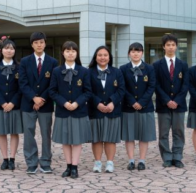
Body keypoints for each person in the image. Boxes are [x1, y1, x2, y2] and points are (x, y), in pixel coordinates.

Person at [49, 41, 92, 179]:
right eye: (67, 51)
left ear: (77, 53)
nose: (70, 53)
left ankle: (75, 167)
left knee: (77, 140)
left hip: (79, 111)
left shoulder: (84, 71)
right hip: (63, 111)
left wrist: (77, 103)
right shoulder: (56, 71)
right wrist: (63, 103)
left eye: (73, 51)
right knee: (66, 140)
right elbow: (52, 91)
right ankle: (68, 166)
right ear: (63, 53)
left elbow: (88, 92)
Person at [18, 32, 58, 174]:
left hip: (45, 105)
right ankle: (31, 162)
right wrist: (33, 98)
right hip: (28, 104)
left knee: (46, 134)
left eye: (41, 42)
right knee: (28, 133)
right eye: (36, 42)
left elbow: (53, 84)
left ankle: (46, 162)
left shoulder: (53, 62)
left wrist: (41, 99)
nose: (39, 45)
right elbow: (22, 83)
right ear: (32, 45)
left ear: (45, 43)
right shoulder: (24, 61)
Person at [153, 34, 189, 168]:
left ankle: (177, 157)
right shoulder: (157, 65)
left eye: (173, 45)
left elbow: (185, 85)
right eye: (168, 45)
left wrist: (177, 100)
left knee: (178, 132)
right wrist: (167, 100)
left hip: (179, 105)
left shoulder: (183, 65)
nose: (170, 47)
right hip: (163, 104)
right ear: (163, 47)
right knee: (163, 133)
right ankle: (167, 157)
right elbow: (156, 85)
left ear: (176, 46)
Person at [120, 42, 156, 171]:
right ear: (129, 53)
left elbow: (151, 86)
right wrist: (132, 102)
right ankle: (131, 160)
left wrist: (141, 102)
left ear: (142, 53)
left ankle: (142, 160)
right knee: (129, 135)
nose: (136, 54)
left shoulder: (149, 68)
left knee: (143, 135)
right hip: (128, 107)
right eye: (133, 51)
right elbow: (122, 87)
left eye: (138, 51)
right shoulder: (123, 69)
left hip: (145, 107)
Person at [88, 46, 125, 173]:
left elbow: (121, 90)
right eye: (100, 55)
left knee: (110, 138)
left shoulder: (117, 72)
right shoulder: (89, 72)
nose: (102, 57)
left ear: (109, 57)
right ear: (95, 57)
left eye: (105, 55)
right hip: (95, 110)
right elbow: (88, 91)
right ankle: (97, 162)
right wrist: (97, 103)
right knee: (97, 138)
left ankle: (110, 162)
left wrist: (112, 102)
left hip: (112, 110)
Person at [0, 39, 22, 171]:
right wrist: (2, 103)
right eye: (6, 48)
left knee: (14, 132)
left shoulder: (19, 67)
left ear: (14, 51)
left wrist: (12, 102)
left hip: (15, 105)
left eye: (12, 48)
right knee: (1, 132)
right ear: (2, 50)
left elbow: (21, 87)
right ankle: (5, 159)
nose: (9, 50)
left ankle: (12, 159)